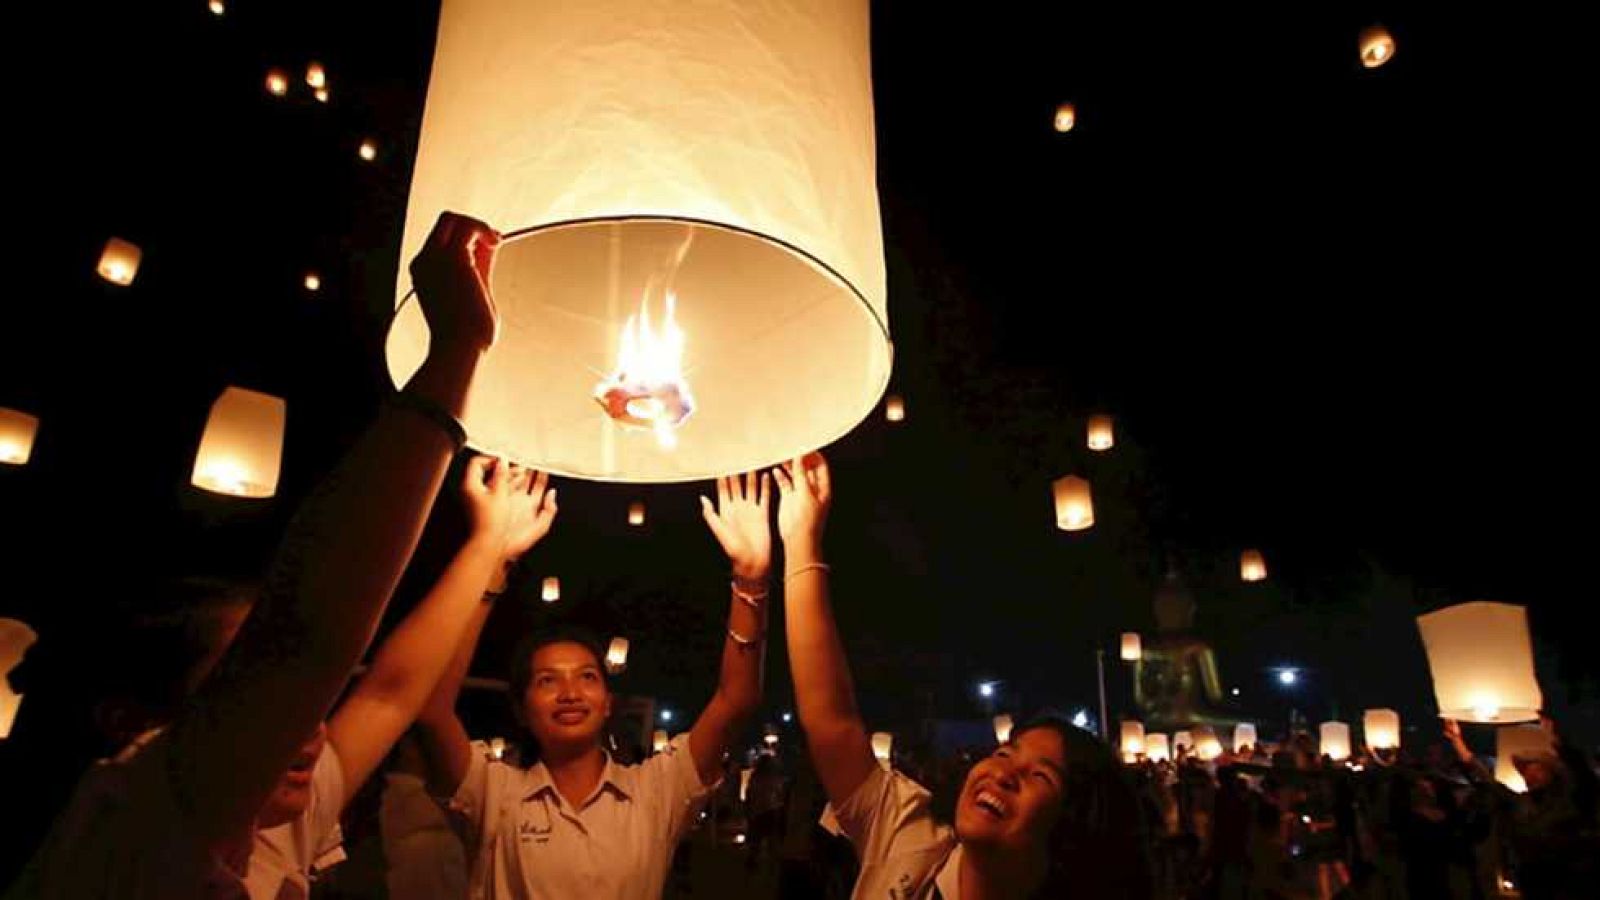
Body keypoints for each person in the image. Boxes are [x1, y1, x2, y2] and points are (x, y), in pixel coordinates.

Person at [7, 212, 512, 900]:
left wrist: (488, 543)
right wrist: (454, 350)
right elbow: (309, 636)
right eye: (248, 684)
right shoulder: (130, 824)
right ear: (135, 726)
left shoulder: (277, 823)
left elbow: (390, 691)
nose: (304, 722)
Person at [774, 452, 1151, 899]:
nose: (1004, 773)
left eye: (1041, 777)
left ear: (1072, 832)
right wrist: (802, 542)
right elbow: (830, 722)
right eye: (1006, 753)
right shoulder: (908, 837)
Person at [414, 471, 775, 899]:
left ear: (607, 702)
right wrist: (491, 564)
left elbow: (736, 700)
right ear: (521, 709)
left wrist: (751, 579)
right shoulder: (494, 793)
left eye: (587, 677)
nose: (570, 693)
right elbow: (431, 709)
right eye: (547, 680)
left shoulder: (657, 791)